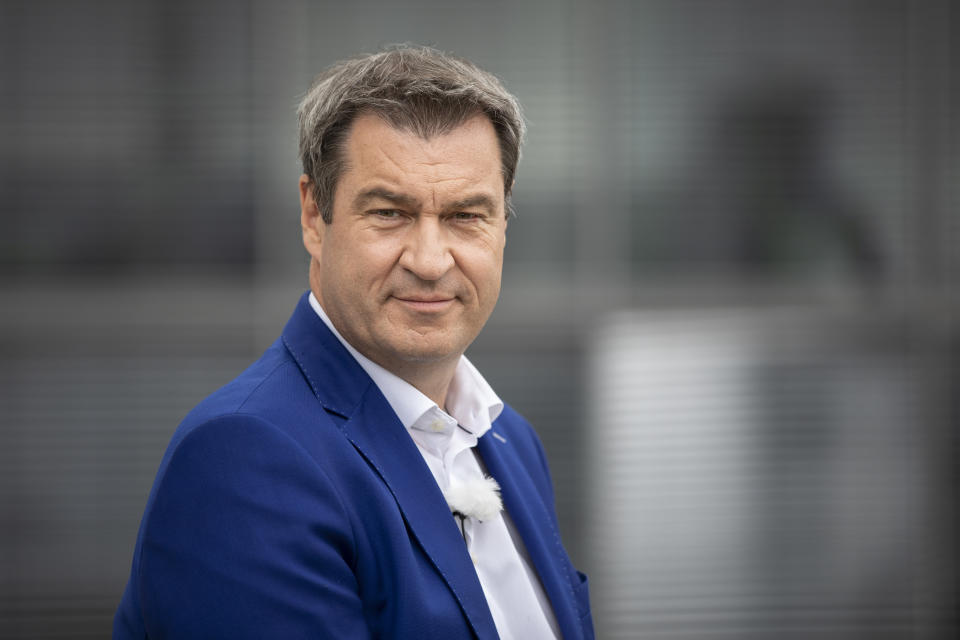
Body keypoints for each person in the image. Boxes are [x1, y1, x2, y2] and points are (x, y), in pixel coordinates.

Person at [114, 45, 593, 639]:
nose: (429, 260)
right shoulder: (245, 459)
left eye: (467, 215)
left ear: (502, 225)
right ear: (316, 216)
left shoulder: (511, 440)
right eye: (390, 212)